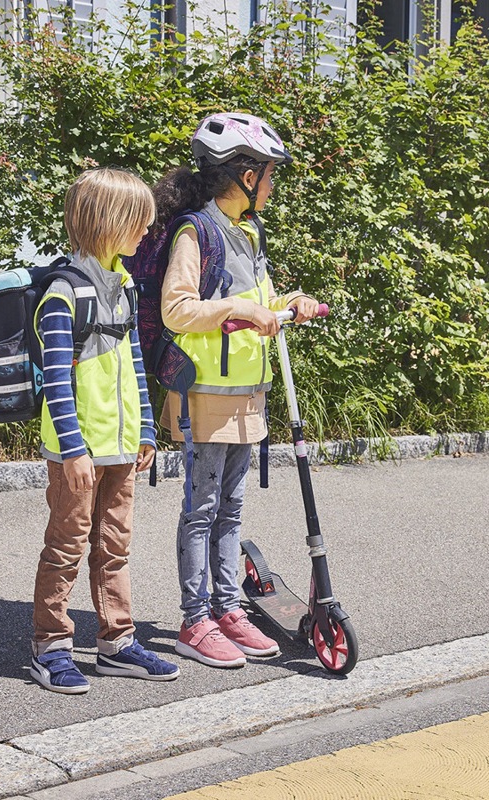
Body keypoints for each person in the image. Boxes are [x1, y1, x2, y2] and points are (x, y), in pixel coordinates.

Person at [154, 113, 322, 668]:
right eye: (270, 175)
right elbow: (177, 310)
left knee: (231, 509)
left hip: (247, 393)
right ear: (247, 177)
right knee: (201, 509)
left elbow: (259, 303)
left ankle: (228, 609)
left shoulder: (249, 231)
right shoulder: (196, 232)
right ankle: (194, 620)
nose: (272, 186)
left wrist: (289, 303)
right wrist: (242, 310)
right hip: (205, 395)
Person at [30, 167, 180, 693]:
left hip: (121, 446)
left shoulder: (124, 286)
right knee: (67, 547)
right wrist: (73, 450)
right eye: (139, 222)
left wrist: (146, 429)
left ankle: (116, 643)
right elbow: (55, 380)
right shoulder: (63, 294)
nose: (146, 232)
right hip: (78, 451)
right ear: (108, 222)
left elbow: (134, 360)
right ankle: (50, 646)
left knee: (114, 546)